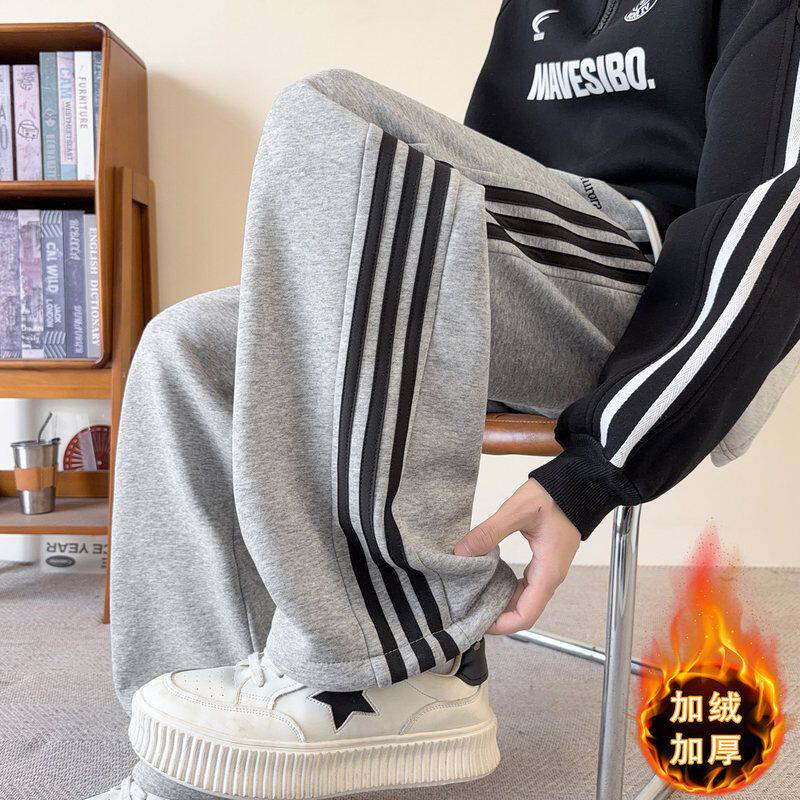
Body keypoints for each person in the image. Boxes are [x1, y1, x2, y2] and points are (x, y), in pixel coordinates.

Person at [89, 1, 800, 798]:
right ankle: (190, 765)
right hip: (516, 270)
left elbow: (773, 224)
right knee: (187, 345)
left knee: (330, 113)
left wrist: (598, 469)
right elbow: (470, 186)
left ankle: (394, 662)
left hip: (653, 286)